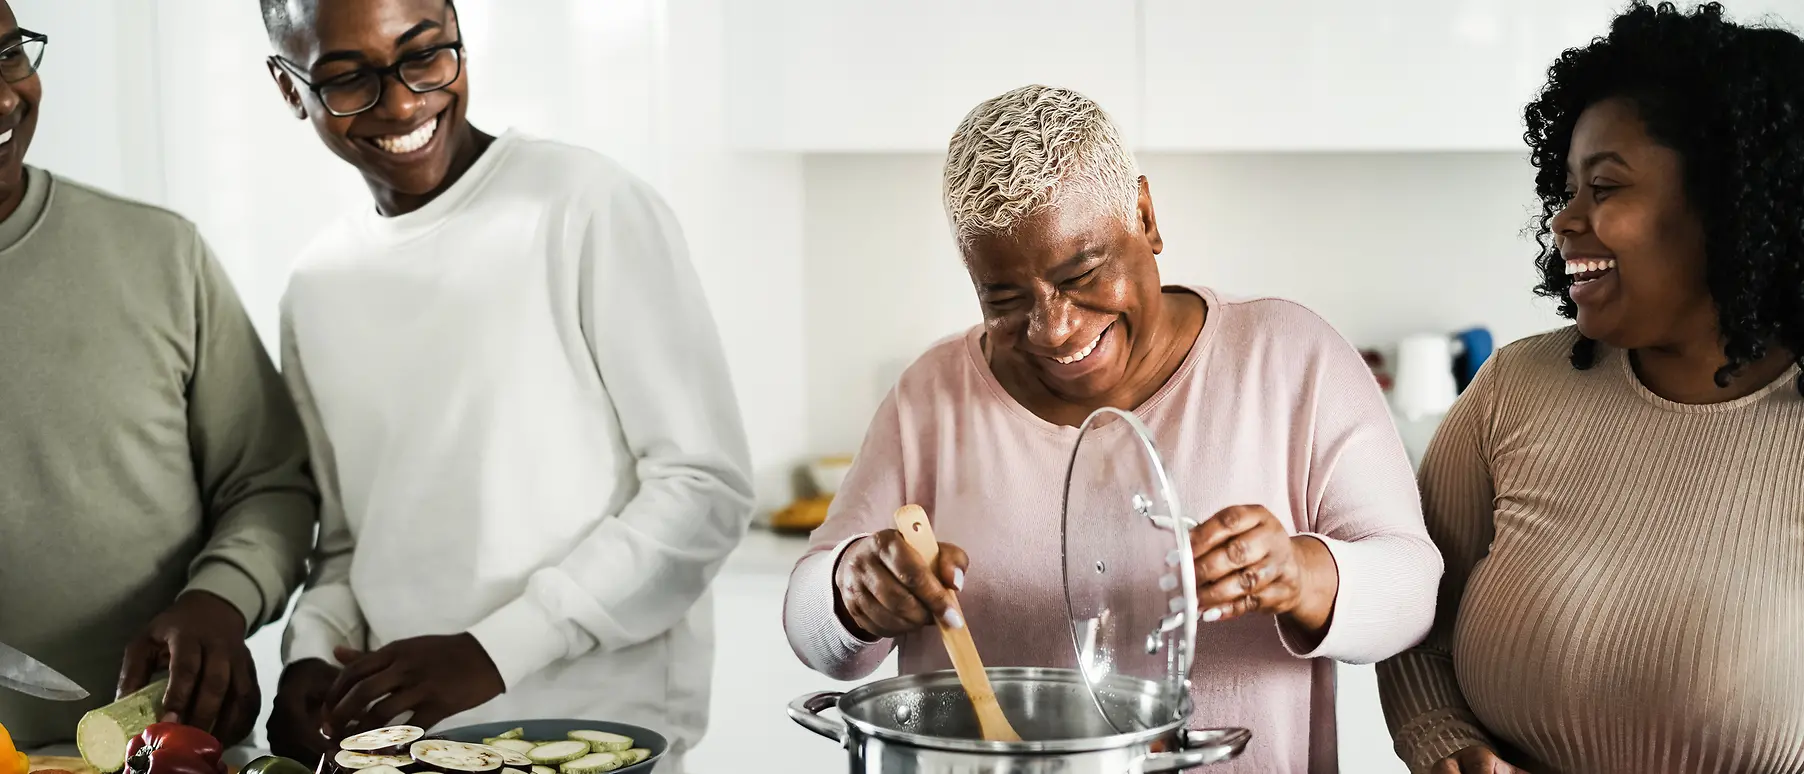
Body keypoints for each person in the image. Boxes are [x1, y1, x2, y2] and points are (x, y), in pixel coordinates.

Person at [782, 84, 1443, 773]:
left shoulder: (1289, 358)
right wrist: (848, 591)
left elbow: (1414, 590)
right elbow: (809, 623)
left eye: (1083, 273)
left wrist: (1303, 574)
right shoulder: (933, 394)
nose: (1055, 328)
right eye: (1004, 300)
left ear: (1147, 218)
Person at [257, 0, 754, 768]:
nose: (401, 101)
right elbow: (355, 541)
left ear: (457, 28)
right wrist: (310, 653)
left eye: (424, 54)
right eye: (348, 78)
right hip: (409, 752)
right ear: (290, 90)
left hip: (601, 744)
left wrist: (491, 653)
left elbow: (703, 488)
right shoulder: (316, 287)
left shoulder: (586, 206)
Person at [1375, 4, 1804, 773]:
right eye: (1567, 188)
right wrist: (1449, 747)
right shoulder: (1514, 389)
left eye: (1604, 187)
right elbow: (1415, 616)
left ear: (1729, 203)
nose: (1564, 221)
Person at [0, 0, 317, 750]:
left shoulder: (161, 255)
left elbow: (269, 483)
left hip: (170, 754)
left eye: (10, 55)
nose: (5, 95)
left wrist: (218, 600)